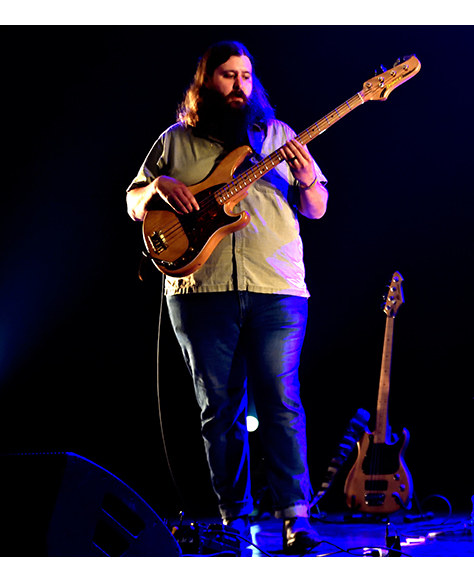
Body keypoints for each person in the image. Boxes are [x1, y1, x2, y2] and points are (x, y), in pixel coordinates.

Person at [125, 40, 327, 554]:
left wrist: (305, 179)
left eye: (246, 76)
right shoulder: (174, 141)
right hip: (199, 289)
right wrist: (159, 188)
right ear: (206, 82)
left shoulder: (279, 136)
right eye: (228, 76)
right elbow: (133, 200)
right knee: (218, 409)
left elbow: (318, 207)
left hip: (276, 287)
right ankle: (230, 522)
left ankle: (295, 520)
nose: (240, 85)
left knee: (282, 403)